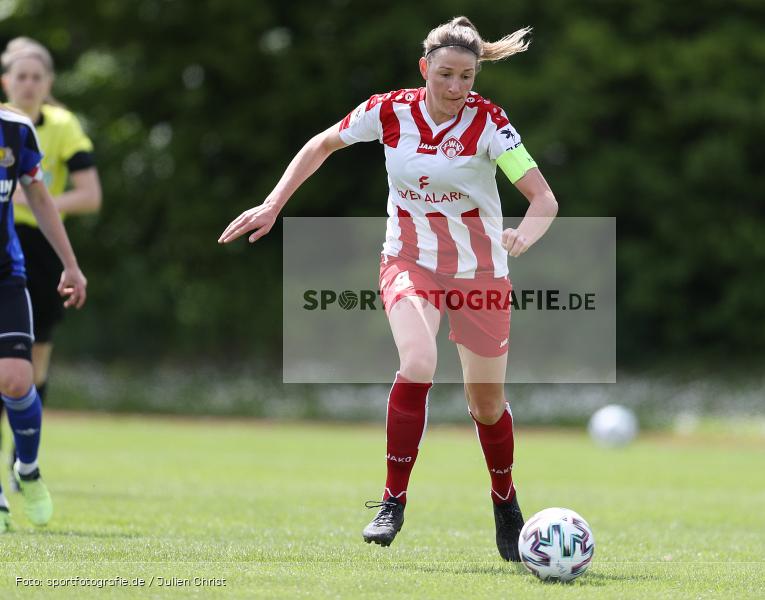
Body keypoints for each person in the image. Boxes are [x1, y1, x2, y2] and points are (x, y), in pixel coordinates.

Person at [219, 16, 558, 561]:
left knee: (487, 405)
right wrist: (273, 203)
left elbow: (543, 199)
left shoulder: (491, 123)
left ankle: (504, 500)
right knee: (418, 361)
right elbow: (322, 143)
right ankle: (391, 502)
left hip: (480, 273)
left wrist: (524, 234)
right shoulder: (389, 110)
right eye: (445, 74)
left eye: (467, 77)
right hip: (409, 262)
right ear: (424, 68)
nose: (455, 88)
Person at [0, 37, 102, 491]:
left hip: (34, 250)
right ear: (6, 81)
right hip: (12, 236)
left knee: (29, 369)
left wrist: (36, 197)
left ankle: (22, 459)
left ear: (49, 83)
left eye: (36, 76)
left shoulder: (54, 127)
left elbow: (90, 195)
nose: (27, 83)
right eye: (19, 76)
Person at [0, 102, 88, 533]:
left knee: (18, 378)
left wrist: (69, 263)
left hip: (5, 274)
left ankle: (28, 470)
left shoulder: (15, 130)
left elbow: (38, 195)